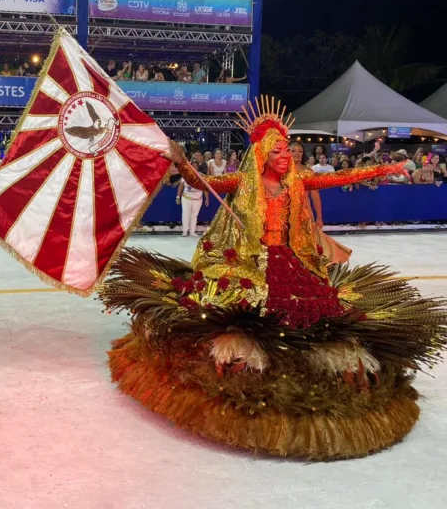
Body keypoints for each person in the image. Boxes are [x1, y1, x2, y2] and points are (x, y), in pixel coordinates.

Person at [98, 96, 442, 461]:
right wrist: (182, 162)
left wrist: (384, 170)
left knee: (316, 307)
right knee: (242, 298)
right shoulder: (245, 182)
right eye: (278, 151)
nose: (286, 156)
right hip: (250, 257)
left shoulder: (298, 180)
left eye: (287, 150)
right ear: (263, 153)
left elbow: (344, 176)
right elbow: (204, 180)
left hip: (290, 257)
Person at [289, 139, 351, 264]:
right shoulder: (280, 171)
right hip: (284, 211)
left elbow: (315, 195)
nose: (297, 154)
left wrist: (319, 217)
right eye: (293, 151)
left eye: (300, 151)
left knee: (309, 243)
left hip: (305, 211)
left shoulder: (308, 172)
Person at [176, 161, 208, 236]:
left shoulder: (201, 176)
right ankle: (185, 231)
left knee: (194, 215)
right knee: (186, 214)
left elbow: (206, 188)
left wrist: (207, 199)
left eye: (195, 166)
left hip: (198, 199)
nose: (194, 167)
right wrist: (178, 197)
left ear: (198, 167)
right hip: (186, 198)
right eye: (192, 166)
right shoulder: (185, 175)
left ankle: (192, 231)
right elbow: (181, 186)